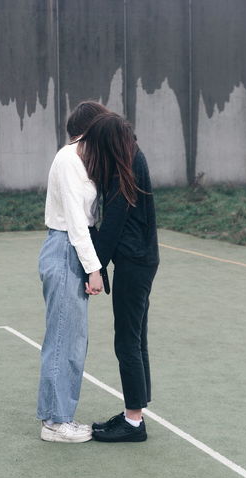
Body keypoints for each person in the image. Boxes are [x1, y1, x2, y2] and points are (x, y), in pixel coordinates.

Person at [78, 112, 159, 442]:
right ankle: (134, 414)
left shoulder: (124, 171)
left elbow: (112, 225)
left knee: (127, 340)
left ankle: (134, 422)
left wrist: (93, 267)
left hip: (135, 262)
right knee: (135, 339)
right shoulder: (131, 159)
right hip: (141, 260)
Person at [36, 103, 107, 443]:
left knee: (74, 340)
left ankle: (61, 416)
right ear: (91, 128)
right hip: (66, 249)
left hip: (73, 250)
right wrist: (95, 270)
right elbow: (77, 223)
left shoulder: (83, 160)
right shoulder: (68, 159)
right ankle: (55, 422)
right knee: (64, 337)